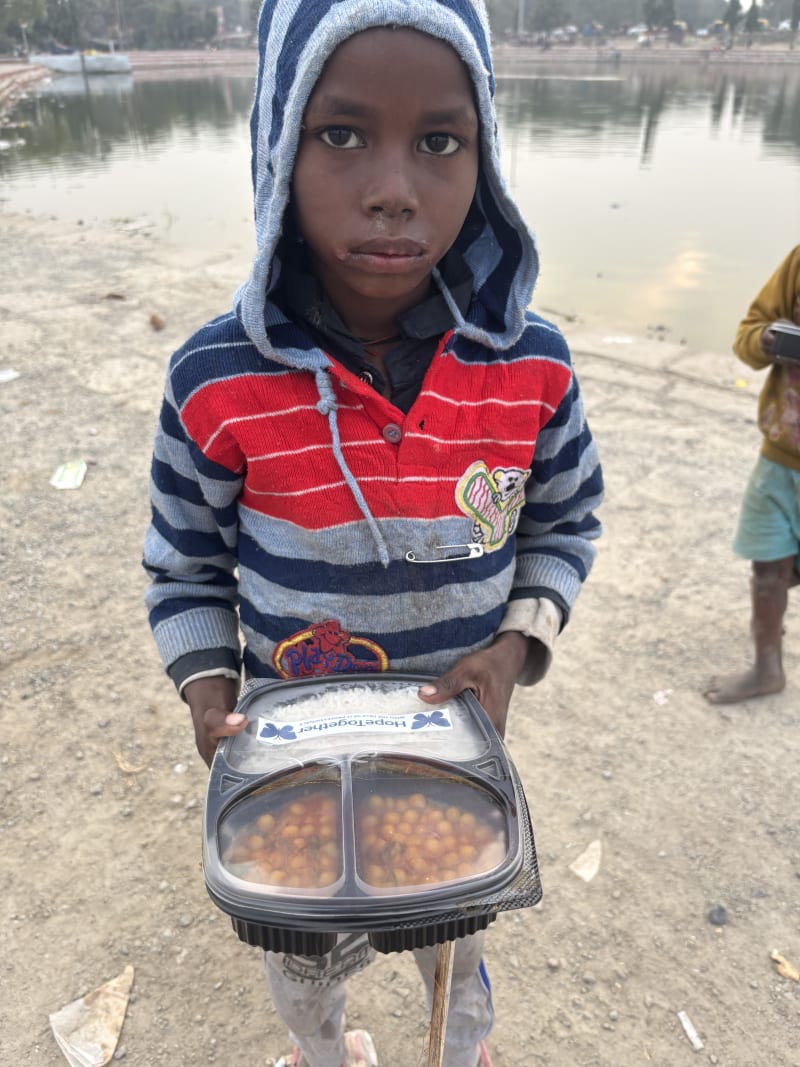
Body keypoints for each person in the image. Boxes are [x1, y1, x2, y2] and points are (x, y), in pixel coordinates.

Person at [142, 1, 603, 1064]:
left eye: (438, 141)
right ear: (274, 145)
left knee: (449, 932)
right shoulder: (214, 378)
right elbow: (183, 561)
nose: (394, 188)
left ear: (482, 158)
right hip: (293, 756)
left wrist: (515, 642)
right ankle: (320, 1043)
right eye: (340, 134)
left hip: (454, 747)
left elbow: (566, 516)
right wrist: (207, 681)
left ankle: (452, 1044)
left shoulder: (531, 365)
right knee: (298, 946)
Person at [705, 245, 800, 705]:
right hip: (781, 458)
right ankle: (767, 668)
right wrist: (771, 340)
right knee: (767, 567)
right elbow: (748, 335)